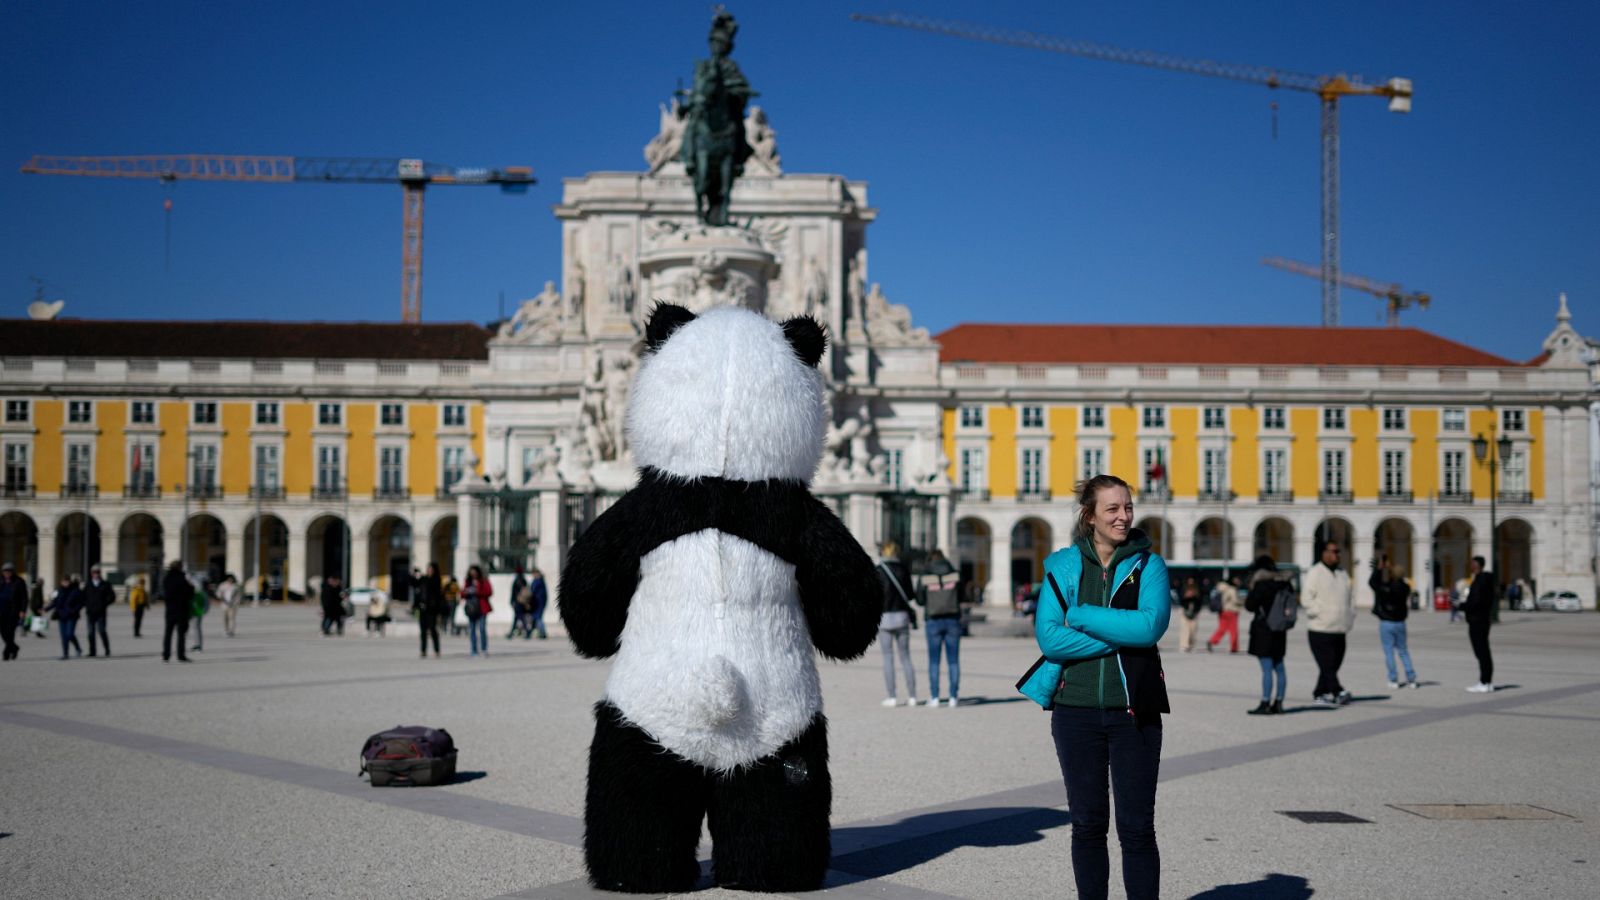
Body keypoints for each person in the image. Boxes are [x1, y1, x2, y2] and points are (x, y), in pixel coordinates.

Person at [1033, 474, 1171, 900]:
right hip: (1074, 712)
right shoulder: (1062, 566)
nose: (1123, 516)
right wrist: (1121, 631)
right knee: (1088, 825)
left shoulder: (1150, 565)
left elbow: (1150, 627)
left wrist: (1083, 614)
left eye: (1127, 507)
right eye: (1112, 508)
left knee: (1136, 829)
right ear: (1089, 516)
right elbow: (1050, 639)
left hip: (1134, 713)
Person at [1301, 541, 1354, 705]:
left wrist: (1350, 614)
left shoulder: (1342, 573)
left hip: (1340, 627)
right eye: (1333, 551)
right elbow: (1306, 599)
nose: (1337, 555)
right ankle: (1338, 691)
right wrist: (1319, 613)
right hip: (1320, 628)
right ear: (1323, 553)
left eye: (1338, 552)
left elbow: (1350, 597)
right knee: (1327, 664)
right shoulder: (1315, 572)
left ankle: (1320, 693)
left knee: (1333, 664)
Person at [875, 541, 919, 707]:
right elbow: (910, 595)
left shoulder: (878, 571)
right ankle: (913, 696)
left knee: (888, 657)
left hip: (885, 618)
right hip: (902, 616)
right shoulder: (903, 569)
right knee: (906, 657)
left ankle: (892, 696)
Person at [1244, 556, 1290, 715]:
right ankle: (1279, 703)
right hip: (1280, 629)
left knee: (1267, 669)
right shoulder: (1284, 582)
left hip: (1264, 630)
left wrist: (1252, 589)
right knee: (1280, 668)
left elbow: (1250, 606)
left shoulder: (1261, 584)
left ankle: (1265, 703)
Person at [918, 548, 962, 707]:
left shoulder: (925, 576)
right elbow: (962, 596)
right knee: (953, 661)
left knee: (934, 661)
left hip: (933, 621)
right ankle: (953, 697)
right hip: (953, 620)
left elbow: (920, 600)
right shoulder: (955, 574)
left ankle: (935, 697)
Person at [1370, 559, 1419, 689]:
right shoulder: (1405, 587)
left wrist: (1380, 569)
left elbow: (1373, 583)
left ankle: (1393, 679)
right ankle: (1411, 678)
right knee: (1403, 651)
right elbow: (1400, 581)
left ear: (1391, 574)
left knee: (1389, 652)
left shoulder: (1386, 587)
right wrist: (1392, 569)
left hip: (1386, 622)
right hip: (1400, 622)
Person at [1462, 556, 1497, 693]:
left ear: (1476, 565)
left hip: (1477, 620)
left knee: (1481, 652)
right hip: (1483, 619)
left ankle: (1484, 682)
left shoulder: (1480, 581)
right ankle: (1487, 682)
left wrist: (1462, 606)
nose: (1469, 566)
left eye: (1471, 563)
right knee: (1484, 652)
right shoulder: (1486, 580)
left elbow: (1475, 601)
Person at [159, 561, 192, 663]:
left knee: (168, 633)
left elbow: (164, 593)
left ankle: (166, 655)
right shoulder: (182, 579)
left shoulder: (167, 579)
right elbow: (190, 592)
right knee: (181, 634)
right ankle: (180, 655)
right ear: (179, 568)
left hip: (170, 609)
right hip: (181, 609)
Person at [45, 576, 84, 659]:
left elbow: (81, 603)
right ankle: (65, 654)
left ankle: (78, 648)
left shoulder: (75, 590)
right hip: (61, 616)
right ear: (61, 582)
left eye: (67, 581)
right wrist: (46, 609)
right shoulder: (58, 591)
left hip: (72, 616)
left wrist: (74, 610)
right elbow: (54, 602)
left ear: (70, 582)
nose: (65, 583)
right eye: (64, 582)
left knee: (69, 634)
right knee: (63, 636)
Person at [81, 566, 115, 657]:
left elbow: (112, 596)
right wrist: (87, 604)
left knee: (102, 631)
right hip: (90, 613)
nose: (96, 574)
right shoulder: (88, 585)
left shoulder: (105, 584)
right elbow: (83, 597)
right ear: (91, 573)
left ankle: (107, 649)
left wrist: (104, 604)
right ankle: (92, 651)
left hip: (101, 612)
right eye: (94, 572)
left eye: (98, 572)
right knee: (90, 633)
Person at [1206, 575, 1243, 653]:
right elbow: (1235, 600)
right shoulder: (1232, 589)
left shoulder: (1223, 589)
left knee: (1222, 628)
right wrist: (1243, 602)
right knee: (1233, 630)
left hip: (1223, 611)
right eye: (1237, 580)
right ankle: (1234, 647)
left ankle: (1212, 641)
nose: (1239, 582)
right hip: (1231, 611)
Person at [462, 565, 491, 657]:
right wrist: (466, 592)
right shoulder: (468, 582)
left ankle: (483, 649)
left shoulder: (484, 581)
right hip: (471, 609)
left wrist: (477, 591)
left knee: (482, 628)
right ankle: (474, 650)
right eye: (471, 572)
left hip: (482, 608)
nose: (473, 574)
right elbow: (462, 593)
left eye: (475, 572)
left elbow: (489, 592)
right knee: (472, 630)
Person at [0, 561, 26, 660]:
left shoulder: (19, 581)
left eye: (9, 571)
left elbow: (24, 597)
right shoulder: (1, 581)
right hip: (1, 611)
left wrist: (22, 611)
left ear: (13, 572)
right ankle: (14, 648)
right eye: (5, 571)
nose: (7, 573)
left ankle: (6, 653)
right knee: (3, 633)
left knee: (10, 632)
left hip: (13, 611)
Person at [418, 562, 443, 658]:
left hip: (432, 609)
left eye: (431, 569)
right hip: (422, 608)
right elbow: (414, 584)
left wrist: (438, 610)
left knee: (432, 629)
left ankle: (437, 650)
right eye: (428, 569)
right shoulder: (423, 579)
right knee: (423, 630)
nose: (429, 571)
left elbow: (438, 596)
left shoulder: (436, 580)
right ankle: (423, 650)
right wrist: (414, 574)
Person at [1177, 576, 1203, 652]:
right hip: (1184, 609)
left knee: (1193, 629)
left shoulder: (1198, 589)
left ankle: (1192, 645)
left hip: (1195, 610)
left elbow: (1200, 600)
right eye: (1189, 581)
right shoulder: (1183, 589)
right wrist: (1186, 596)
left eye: (1192, 581)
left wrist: (1194, 596)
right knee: (1185, 629)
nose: (1191, 582)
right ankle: (1184, 645)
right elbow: (1180, 599)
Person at [527, 566, 549, 639]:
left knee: (538, 617)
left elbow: (533, 590)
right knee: (536, 618)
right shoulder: (539, 580)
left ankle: (542, 633)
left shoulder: (538, 581)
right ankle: (534, 632)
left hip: (539, 603)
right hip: (537, 602)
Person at [508, 566, 530, 639]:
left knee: (519, 617)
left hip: (518, 602)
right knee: (518, 617)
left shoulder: (517, 580)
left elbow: (514, 592)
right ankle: (512, 633)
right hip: (521, 601)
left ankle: (526, 631)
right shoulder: (523, 580)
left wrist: (512, 601)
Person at [190, 577, 210, 652]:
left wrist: (203, 611)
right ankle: (197, 644)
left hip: (197, 613)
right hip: (194, 612)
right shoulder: (198, 592)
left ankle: (199, 645)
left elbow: (206, 604)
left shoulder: (201, 593)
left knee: (197, 628)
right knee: (195, 629)